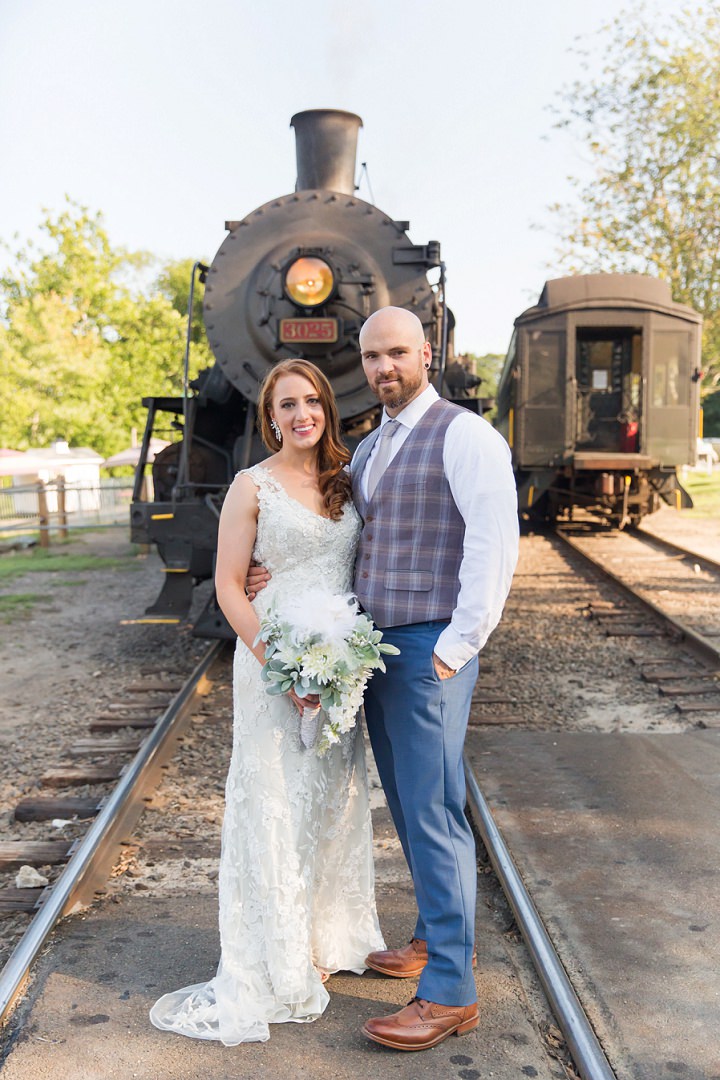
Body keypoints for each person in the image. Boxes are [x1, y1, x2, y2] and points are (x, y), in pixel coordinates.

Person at [248, 307, 519, 1052]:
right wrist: (265, 566)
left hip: (429, 645)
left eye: (397, 352)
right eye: (371, 356)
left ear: (426, 354)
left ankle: (451, 994)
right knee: (405, 802)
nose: (383, 367)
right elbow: (341, 532)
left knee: (434, 811)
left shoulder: (465, 435)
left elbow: (495, 546)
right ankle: (435, 936)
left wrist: (455, 649)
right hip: (376, 650)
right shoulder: (369, 447)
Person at [149, 358, 384, 1046]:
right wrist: (279, 666)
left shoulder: (347, 480)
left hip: (337, 660)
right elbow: (228, 586)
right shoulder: (250, 487)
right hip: (275, 659)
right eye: (287, 405)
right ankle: (276, 957)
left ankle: (327, 936)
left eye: (312, 401)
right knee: (277, 797)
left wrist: (336, 664)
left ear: (327, 409)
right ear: (270, 417)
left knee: (332, 797)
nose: (302, 414)